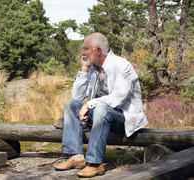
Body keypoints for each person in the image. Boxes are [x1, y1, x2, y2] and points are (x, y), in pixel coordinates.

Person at [53, 32, 148, 178]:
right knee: (72, 105)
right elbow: (77, 96)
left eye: (86, 49)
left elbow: (118, 99)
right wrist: (84, 69)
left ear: (97, 51)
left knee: (102, 110)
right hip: (99, 116)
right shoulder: (92, 68)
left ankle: (94, 163)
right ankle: (76, 157)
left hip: (124, 118)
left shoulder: (121, 65)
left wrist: (89, 105)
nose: (82, 52)